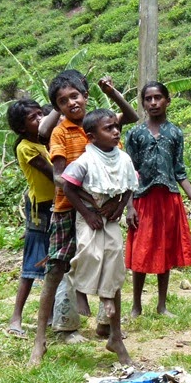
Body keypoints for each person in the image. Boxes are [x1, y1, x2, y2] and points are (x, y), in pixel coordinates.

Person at [30, 69, 139, 366]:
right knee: (55, 269)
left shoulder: (103, 125)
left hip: (106, 211)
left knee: (113, 266)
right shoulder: (61, 132)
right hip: (69, 209)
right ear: (58, 107)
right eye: (63, 101)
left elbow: (124, 168)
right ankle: (39, 342)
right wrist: (89, 205)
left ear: (85, 96)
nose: (71, 103)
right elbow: (60, 178)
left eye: (75, 96)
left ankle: (115, 336)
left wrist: (120, 203)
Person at [62, 108, 138, 364]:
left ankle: (107, 303)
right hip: (89, 215)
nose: (116, 132)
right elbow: (68, 187)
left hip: (110, 215)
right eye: (109, 128)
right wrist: (88, 213)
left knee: (114, 255)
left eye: (116, 127)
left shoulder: (124, 159)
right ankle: (81, 290)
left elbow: (130, 185)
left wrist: (119, 206)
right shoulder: (85, 161)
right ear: (92, 137)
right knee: (89, 252)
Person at [124, 81, 191, 318]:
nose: (153, 103)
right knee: (141, 251)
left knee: (165, 250)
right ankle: (136, 306)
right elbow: (130, 173)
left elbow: (179, 171)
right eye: (148, 99)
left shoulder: (175, 133)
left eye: (158, 98)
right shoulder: (135, 134)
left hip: (168, 199)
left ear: (167, 101)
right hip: (143, 200)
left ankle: (162, 305)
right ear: (143, 104)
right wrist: (129, 206)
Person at [4, 98, 59, 337]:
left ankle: (52, 316)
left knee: (56, 258)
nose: (40, 120)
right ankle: (16, 318)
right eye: (33, 118)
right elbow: (52, 175)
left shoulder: (46, 140)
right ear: (22, 127)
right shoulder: (26, 147)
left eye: (41, 114)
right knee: (33, 262)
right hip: (40, 208)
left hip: (57, 205)